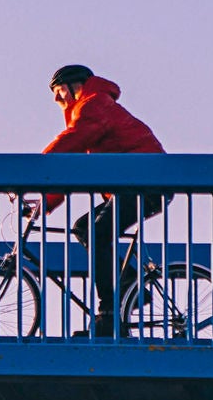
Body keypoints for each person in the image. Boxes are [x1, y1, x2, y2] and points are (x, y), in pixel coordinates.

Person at [24, 64, 167, 332]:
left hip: (145, 184)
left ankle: (109, 312)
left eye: (58, 92)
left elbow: (71, 142)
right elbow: (75, 165)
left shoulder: (93, 104)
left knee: (98, 232)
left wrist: (33, 169)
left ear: (72, 86)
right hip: (138, 184)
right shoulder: (92, 110)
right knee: (84, 227)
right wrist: (48, 202)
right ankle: (128, 291)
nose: (56, 100)